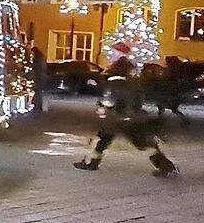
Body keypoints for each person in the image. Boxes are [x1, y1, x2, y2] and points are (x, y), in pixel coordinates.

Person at [74, 43, 178, 176]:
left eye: (114, 52)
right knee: (136, 142)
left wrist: (102, 104)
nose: (111, 54)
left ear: (119, 55)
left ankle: (91, 162)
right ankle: (166, 167)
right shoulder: (132, 76)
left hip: (116, 116)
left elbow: (110, 98)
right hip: (133, 116)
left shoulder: (115, 75)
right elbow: (138, 95)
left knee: (104, 139)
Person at [31, 46, 47, 114]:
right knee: (38, 92)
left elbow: (37, 68)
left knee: (37, 91)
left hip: (38, 77)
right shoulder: (41, 58)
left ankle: (37, 105)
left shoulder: (38, 59)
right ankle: (39, 105)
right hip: (41, 76)